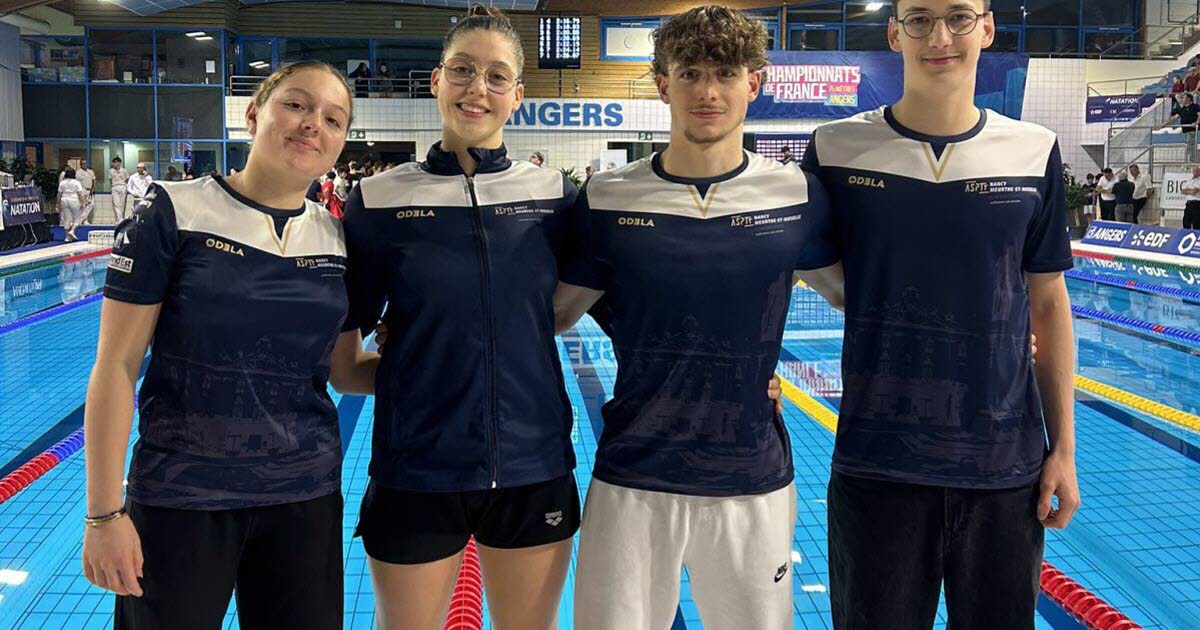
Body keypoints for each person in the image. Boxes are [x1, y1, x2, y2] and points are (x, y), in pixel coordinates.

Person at [798, 1, 1079, 628]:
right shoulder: (837, 148)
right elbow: (795, 262)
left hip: (1003, 468)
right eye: (919, 19)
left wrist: (1063, 449)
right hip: (878, 462)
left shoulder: (1034, 150)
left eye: (958, 16)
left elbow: (1049, 302)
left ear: (987, 28)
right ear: (895, 32)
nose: (939, 37)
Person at [554, 7, 830, 629]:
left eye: (726, 73)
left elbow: (860, 297)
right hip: (633, 474)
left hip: (751, 477)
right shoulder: (606, 198)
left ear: (754, 83)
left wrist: (991, 329)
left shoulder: (795, 195)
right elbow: (548, 314)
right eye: (690, 73)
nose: (708, 91)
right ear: (662, 84)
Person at [80, 60, 378, 630]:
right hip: (182, 498)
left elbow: (347, 372)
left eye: (333, 118)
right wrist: (103, 514)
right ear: (252, 115)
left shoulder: (338, 238)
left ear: (341, 141)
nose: (313, 123)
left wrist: (445, 358)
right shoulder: (172, 211)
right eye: (295, 104)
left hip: (304, 497)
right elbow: (116, 367)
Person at [340, 6, 585, 629]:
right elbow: (343, 367)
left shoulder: (555, 198)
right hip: (417, 467)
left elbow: (609, 305)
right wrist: (418, 375)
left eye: (497, 76)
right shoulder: (377, 202)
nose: (478, 88)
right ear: (435, 81)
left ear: (518, 97)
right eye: (463, 70)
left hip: (533, 465)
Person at [1166, 92, 1200, 161]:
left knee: (1191, 146)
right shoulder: (1183, 108)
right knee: (1188, 146)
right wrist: (1166, 123)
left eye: (1183, 98)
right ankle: (1191, 160)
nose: (1182, 99)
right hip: (1185, 131)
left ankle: (1192, 161)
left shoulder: (1195, 106)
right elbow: (1175, 117)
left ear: (1188, 99)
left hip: (1192, 130)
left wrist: (1197, 122)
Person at [58, 167, 86, 242]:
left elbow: (59, 194)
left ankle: (67, 237)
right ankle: (72, 230)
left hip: (64, 200)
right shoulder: (76, 182)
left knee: (67, 219)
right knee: (77, 218)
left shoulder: (62, 182)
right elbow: (80, 194)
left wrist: (57, 204)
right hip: (74, 200)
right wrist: (82, 203)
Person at [110, 157, 131, 223]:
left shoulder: (124, 170)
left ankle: (119, 219)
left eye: (116, 162)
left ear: (119, 163)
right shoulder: (111, 171)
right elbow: (110, 180)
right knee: (116, 203)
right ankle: (119, 219)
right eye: (114, 163)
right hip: (115, 187)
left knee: (122, 203)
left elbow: (127, 178)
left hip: (122, 187)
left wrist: (124, 183)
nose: (114, 164)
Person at [1182, 165, 1200, 229]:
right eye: (1194, 171)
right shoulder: (1190, 180)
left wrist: (1188, 190)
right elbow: (1183, 191)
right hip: (1188, 204)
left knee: (1196, 223)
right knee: (1186, 222)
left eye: (1197, 171)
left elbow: (1194, 191)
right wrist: (1190, 190)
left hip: (1196, 204)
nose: (1195, 172)